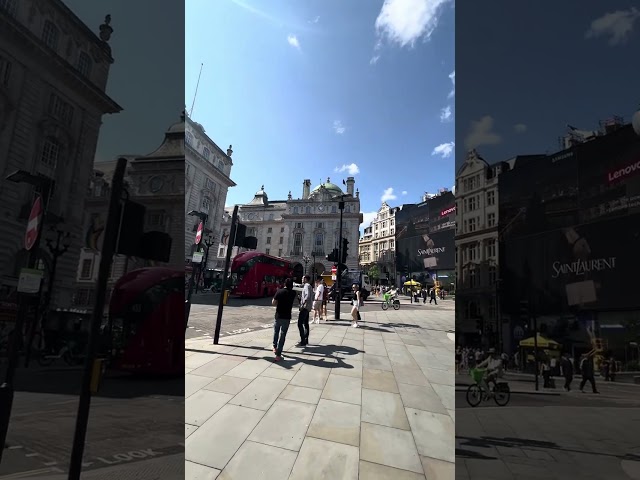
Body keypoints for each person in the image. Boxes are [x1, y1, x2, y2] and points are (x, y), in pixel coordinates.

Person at [271, 278, 297, 362]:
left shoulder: (279, 291)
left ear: (284, 284)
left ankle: (274, 347)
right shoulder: (293, 293)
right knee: (283, 336)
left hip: (278, 315)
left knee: (276, 332)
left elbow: (273, 303)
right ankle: (278, 354)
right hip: (287, 317)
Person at [296, 275, 313, 347]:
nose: (302, 279)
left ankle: (303, 340)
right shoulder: (309, 286)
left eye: (303, 278)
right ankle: (306, 339)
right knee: (306, 323)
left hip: (305, 307)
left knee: (300, 323)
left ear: (305, 279)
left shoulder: (306, 286)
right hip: (308, 307)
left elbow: (307, 296)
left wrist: (303, 303)